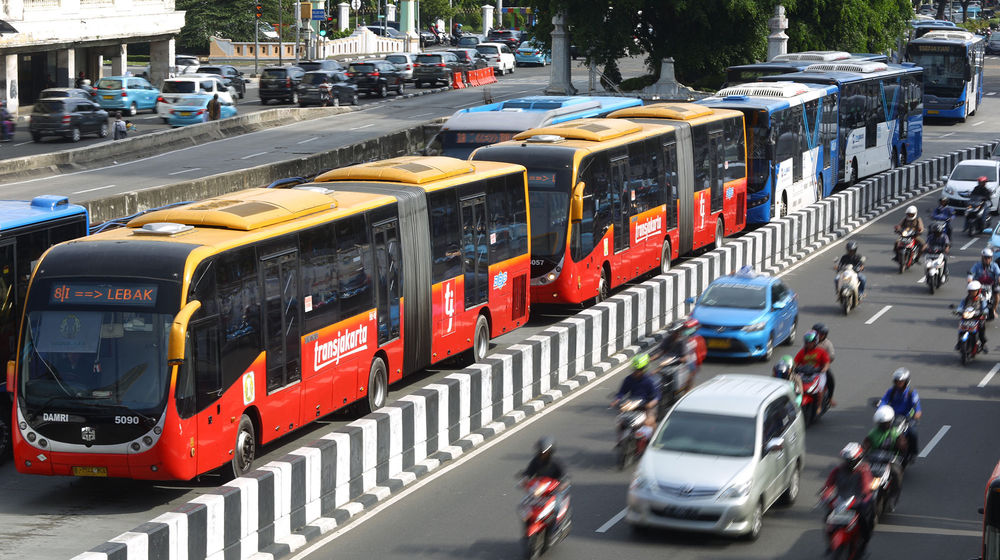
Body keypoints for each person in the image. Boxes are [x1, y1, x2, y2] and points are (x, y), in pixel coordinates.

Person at [822, 442, 875, 554]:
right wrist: (826, 495)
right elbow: (829, 485)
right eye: (846, 460)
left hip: (860, 503)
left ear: (858, 459)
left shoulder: (863, 470)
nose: (848, 463)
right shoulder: (838, 470)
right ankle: (831, 545)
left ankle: (863, 546)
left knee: (864, 523)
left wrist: (862, 496)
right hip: (841, 503)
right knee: (827, 520)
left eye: (850, 460)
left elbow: (866, 487)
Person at [877, 368, 922, 464]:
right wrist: (880, 409)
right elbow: (884, 401)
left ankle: (913, 453)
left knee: (913, 433)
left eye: (901, 382)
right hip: (892, 417)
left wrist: (917, 414)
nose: (898, 384)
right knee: (880, 431)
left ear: (906, 382)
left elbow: (917, 406)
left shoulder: (911, 393)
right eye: (897, 382)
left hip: (907, 418)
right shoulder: (891, 391)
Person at [612, 353, 661, 431]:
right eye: (635, 370)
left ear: (644, 369)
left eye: (639, 370)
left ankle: (654, 439)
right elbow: (621, 392)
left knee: (648, 423)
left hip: (647, 407)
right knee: (621, 423)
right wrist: (617, 400)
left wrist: (650, 404)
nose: (636, 372)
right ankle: (621, 441)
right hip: (633, 405)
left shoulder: (650, 381)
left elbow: (657, 397)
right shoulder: (628, 379)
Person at [793, 330, 834, 405]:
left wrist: (824, 369)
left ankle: (826, 401)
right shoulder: (802, 352)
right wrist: (793, 368)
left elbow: (826, 363)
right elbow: (795, 362)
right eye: (807, 342)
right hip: (804, 373)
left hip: (817, 373)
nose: (809, 344)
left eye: (811, 342)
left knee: (826, 382)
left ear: (815, 342)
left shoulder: (821, 351)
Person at [958, 280, 990, 351]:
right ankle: (959, 342)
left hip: (978, 318)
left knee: (981, 328)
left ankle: (983, 343)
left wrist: (984, 312)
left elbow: (985, 308)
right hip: (967, 317)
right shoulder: (965, 299)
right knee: (961, 328)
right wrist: (958, 311)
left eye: (974, 291)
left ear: (978, 291)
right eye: (971, 291)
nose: (972, 292)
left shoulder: (982, 300)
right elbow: (960, 306)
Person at [968, 248, 1000, 318]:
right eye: (985, 257)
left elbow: (998, 274)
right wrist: (970, 280)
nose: (987, 259)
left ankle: (993, 310)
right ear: (982, 258)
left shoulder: (995, 265)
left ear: (991, 258)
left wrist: (998, 280)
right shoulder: (977, 265)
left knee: (997, 295)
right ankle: (969, 309)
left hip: (991, 284)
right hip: (978, 285)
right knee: (970, 294)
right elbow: (971, 273)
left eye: (988, 258)